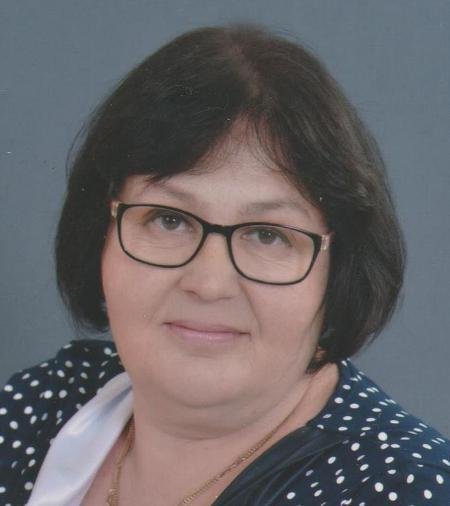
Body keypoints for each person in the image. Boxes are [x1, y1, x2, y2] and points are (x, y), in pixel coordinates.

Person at [0, 23, 449, 506]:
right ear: (100, 231)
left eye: (267, 235)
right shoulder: (47, 404)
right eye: (170, 220)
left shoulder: (405, 489)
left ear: (337, 269)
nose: (210, 283)